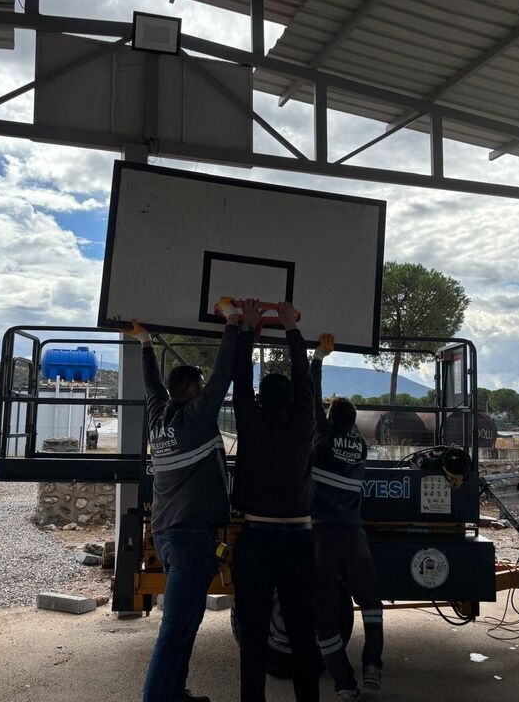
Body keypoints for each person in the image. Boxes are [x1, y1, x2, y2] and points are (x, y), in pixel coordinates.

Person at [128, 299, 241, 702]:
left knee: (186, 626)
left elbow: (152, 386)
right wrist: (233, 322)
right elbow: (224, 373)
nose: (206, 391)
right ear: (193, 391)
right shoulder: (196, 418)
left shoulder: (159, 417)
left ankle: (174, 692)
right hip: (191, 537)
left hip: (168, 532)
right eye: (201, 386)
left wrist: (145, 343)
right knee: (176, 630)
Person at [231, 300, 322, 702]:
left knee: (253, 636)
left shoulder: (250, 423)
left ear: (258, 399)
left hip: (257, 539)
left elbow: (239, 377)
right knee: (302, 634)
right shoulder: (304, 425)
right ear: (292, 400)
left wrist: (249, 328)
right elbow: (306, 383)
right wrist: (291, 328)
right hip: (299, 540)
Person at [310, 333, 384, 702]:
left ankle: (343, 683)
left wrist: (317, 359)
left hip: (323, 537)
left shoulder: (322, 441)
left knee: (325, 613)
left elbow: (312, 398)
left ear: (328, 419)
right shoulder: (361, 447)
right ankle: (372, 665)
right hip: (355, 536)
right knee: (371, 603)